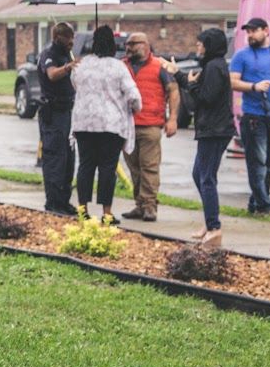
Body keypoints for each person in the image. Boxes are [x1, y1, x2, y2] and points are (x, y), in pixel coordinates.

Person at [70, 25, 141, 225]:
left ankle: (82, 210)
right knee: (107, 169)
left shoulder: (81, 65)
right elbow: (134, 95)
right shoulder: (118, 67)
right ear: (112, 44)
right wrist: (134, 108)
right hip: (111, 125)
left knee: (85, 166)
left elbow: (74, 84)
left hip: (84, 123)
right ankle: (107, 213)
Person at [176, 27, 235, 247]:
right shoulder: (212, 66)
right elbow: (198, 90)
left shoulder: (214, 67)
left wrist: (190, 84)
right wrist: (177, 74)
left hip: (215, 129)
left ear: (210, 45)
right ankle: (210, 220)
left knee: (206, 177)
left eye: (201, 43)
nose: (198, 46)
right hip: (212, 128)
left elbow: (206, 98)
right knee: (199, 174)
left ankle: (214, 227)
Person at [120, 32, 179, 221]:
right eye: (127, 44)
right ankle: (140, 204)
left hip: (151, 125)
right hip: (127, 126)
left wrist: (173, 119)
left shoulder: (159, 67)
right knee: (134, 168)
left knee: (149, 167)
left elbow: (173, 91)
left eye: (133, 44)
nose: (128, 48)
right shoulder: (122, 66)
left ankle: (150, 206)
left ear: (145, 45)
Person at [230, 18, 270, 215]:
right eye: (248, 31)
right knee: (257, 164)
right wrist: (254, 86)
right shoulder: (242, 55)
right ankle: (264, 206)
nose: (250, 35)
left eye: (254, 31)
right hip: (253, 116)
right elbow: (233, 82)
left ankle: (256, 204)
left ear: (266, 31)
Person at [37, 22, 79, 216]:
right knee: (55, 158)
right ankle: (53, 202)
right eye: (68, 37)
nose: (72, 41)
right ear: (57, 38)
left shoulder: (66, 54)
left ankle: (64, 200)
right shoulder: (49, 55)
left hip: (67, 112)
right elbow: (52, 75)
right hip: (53, 113)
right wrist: (68, 67)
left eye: (73, 37)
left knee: (68, 158)